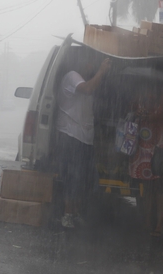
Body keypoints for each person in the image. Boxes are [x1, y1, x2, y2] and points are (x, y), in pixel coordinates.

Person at [56, 54, 111, 229]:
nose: (91, 66)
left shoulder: (85, 79)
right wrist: (102, 71)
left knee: (82, 179)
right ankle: (67, 214)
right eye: (89, 62)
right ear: (80, 61)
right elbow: (87, 89)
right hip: (71, 136)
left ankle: (76, 212)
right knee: (72, 177)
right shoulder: (72, 76)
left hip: (84, 138)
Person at [129, 84, 163, 237]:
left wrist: (154, 116)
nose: (148, 91)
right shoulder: (139, 98)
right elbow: (130, 111)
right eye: (147, 88)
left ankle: (159, 224)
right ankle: (147, 221)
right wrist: (137, 113)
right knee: (148, 188)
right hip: (144, 148)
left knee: (161, 188)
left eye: (151, 88)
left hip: (161, 146)